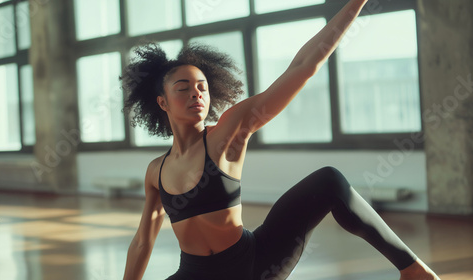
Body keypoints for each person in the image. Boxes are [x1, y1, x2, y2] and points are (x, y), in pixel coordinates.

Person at [121, 0, 440, 279]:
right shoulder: (155, 171)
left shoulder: (228, 132)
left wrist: (357, 2)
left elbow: (302, 66)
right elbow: (141, 241)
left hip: (254, 264)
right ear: (162, 102)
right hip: (194, 274)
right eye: (183, 88)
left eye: (202, 87)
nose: (196, 93)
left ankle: (414, 270)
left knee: (328, 181)